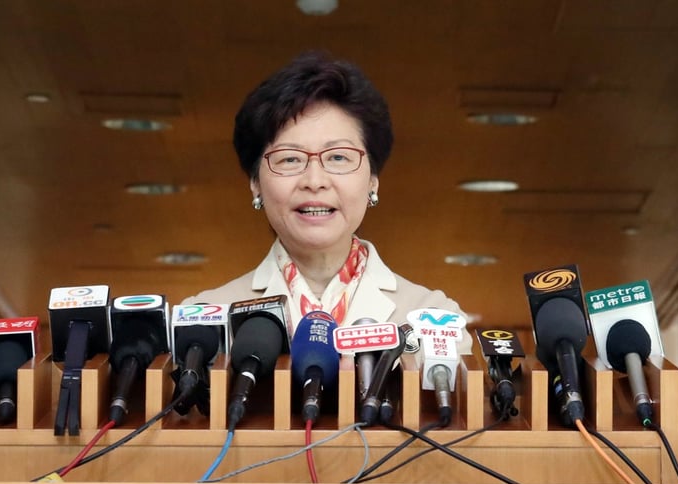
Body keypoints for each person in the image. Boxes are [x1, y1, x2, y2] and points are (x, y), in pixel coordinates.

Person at [187, 51, 468, 340]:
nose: (315, 181)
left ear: (373, 180)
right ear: (255, 183)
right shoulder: (205, 318)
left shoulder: (433, 319)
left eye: (338, 157)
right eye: (290, 159)